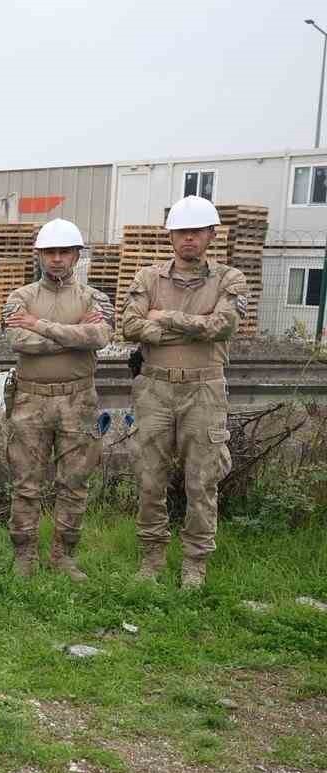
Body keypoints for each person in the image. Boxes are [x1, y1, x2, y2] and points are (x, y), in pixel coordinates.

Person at [120, 195, 246, 589]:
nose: (188, 239)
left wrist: (163, 318)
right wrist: (190, 324)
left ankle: (195, 562)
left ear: (211, 234)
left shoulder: (229, 279)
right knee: (149, 476)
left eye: (196, 231)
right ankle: (151, 556)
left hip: (204, 390)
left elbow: (222, 326)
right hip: (155, 387)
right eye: (181, 232)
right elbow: (129, 325)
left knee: (201, 479)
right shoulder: (148, 278)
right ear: (170, 236)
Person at [3, 218, 113, 580]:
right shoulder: (19, 297)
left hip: (78, 400)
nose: (56, 259)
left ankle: (63, 556)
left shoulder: (94, 298)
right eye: (49, 252)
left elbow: (100, 337)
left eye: (64, 252)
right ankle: (24, 555)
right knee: (26, 481)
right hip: (31, 400)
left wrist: (42, 325)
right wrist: (72, 335)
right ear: (39, 255)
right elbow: (19, 341)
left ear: (77, 255)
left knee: (75, 481)